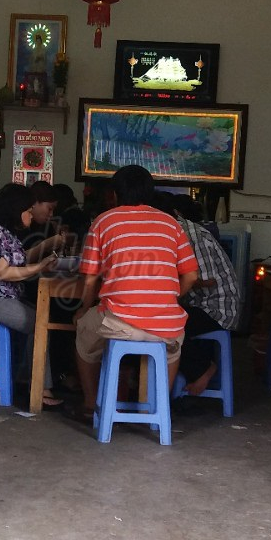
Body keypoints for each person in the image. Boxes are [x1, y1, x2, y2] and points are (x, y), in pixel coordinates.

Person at [72, 167, 199, 420]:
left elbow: (90, 278)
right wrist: (168, 299)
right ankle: (158, 410)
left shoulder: (103, 221)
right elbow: (192, 276)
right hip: (166, 327)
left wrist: (83, 309)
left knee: (84, 336)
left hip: (118, 322)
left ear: (114, 194)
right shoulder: (171, 224)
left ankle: (89, 403)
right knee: (172, 352)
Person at [0, 183, 61, 407]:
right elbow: (4, 272)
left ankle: (29, 380)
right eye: (28, 210)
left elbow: (20, 259)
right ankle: (40, 389)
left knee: (40, 318)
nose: (31, 214)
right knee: (39, 323)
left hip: (3, 299)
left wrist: (47, 248)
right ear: (16, 210)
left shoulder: (5, 234)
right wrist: (40, 267)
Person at [163, 193, 242, 397]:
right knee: (161, 321)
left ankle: (202, 369)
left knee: (165, 326)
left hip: (217, 309)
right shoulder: (172, 232)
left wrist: (168, 284)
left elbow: (206, 280)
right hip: (199, 304)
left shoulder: (191, 235)